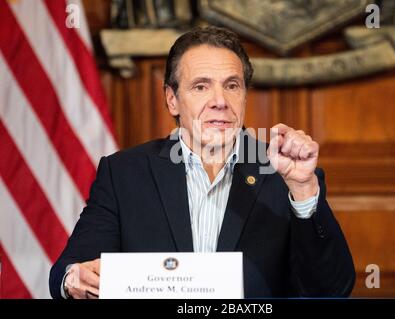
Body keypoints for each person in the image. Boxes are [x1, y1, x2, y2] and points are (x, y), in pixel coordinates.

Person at [49, 26, 355, 299]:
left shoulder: (285, 174)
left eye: (232, 85)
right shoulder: (124, 173)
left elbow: (332, 289)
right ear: (172, 99)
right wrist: (73, 279)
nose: (220, 101)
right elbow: (68, 270)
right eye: (201, 86)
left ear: (245, 96)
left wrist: (303, 191)